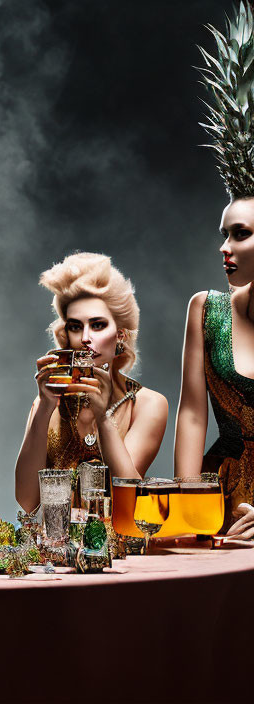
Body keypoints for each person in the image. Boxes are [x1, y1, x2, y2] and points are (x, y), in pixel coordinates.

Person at [175, 4, 254, 538]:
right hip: (217, 495)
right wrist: (188, 508)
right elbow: (192, 415)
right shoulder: (206, 310)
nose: (224, 247)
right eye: (223, 233)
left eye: (241, 234)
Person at [15, 252, 168, 513]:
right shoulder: (46, 403)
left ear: (120, 335)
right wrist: (43, 408)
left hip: (118, 549)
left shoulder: (148, 404)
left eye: (97, 325)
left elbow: (128, 497)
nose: (86, 338)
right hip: (54, 548)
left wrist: (103, 418)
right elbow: (27, 502)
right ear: (66, 335)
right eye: (75, 327)